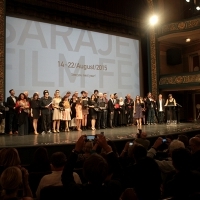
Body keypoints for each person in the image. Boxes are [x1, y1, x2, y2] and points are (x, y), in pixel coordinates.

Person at [61, 134, 123, 200]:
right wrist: (107, 149)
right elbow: (119, 173)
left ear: (84, 172)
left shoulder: (78, 192)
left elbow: (66, 175)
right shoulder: (113, 189)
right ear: (106, 171)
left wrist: (76, 150)